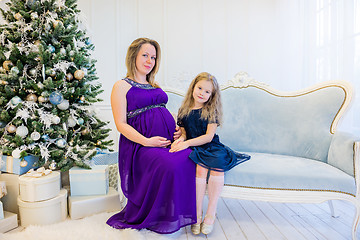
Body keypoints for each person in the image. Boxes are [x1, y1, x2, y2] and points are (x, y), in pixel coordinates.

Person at [106, 38, 196, 234]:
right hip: (141, 146)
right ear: (133, 57)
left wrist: (178, 130)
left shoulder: (154, 84)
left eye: (153, 57)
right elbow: (121, 124)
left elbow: (161, 111)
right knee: (169, 164)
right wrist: (147, 142)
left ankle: (174, 210)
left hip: (167, 141)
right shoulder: (121, 86)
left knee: (190, 157)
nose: (149, 61)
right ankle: (158, 214)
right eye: (145, 55)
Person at [170, 72, 250, 235]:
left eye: (207, 92)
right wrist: (181, 139)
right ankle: (197, 214)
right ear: (193, 87)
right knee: (200, 169)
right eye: (200, 88)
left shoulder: (210, 111)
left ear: (212, 95)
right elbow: (185, 132)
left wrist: (187, 143)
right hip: (195, 146)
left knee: (216, 166)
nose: (202, 93)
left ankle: (210, 213)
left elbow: (208, 137)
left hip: (211, 146)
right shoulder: (184, 109)